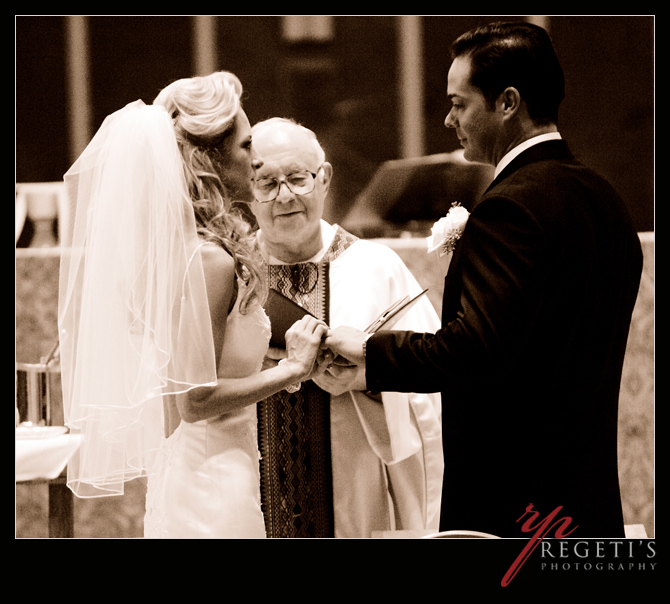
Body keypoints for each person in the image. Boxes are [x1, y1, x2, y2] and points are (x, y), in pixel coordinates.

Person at [325, 21, 643, 538]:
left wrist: (372, 354)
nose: (449, 119)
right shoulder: (605, 200)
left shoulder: (511, 207)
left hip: (516, 509)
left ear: (508, 102)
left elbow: (477, 351)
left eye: (459, 103)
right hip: (589, 505)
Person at [58, 71, 328, 538]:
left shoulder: (188, 250)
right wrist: (293, 370)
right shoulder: (208, 259)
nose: (256, 157)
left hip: (207, 467)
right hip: (211, 482)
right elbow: (195, 400)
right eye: (246, 145)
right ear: (211, 155)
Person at [249, 117, 443, 538]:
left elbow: (436, 385)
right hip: (248, 498)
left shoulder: (376, 268)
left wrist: (369, 379)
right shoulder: (231, 274)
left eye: (298, 178)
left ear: (324, 179)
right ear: (245, 191)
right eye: (266, 183)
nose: (285, 196)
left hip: (358, 497)